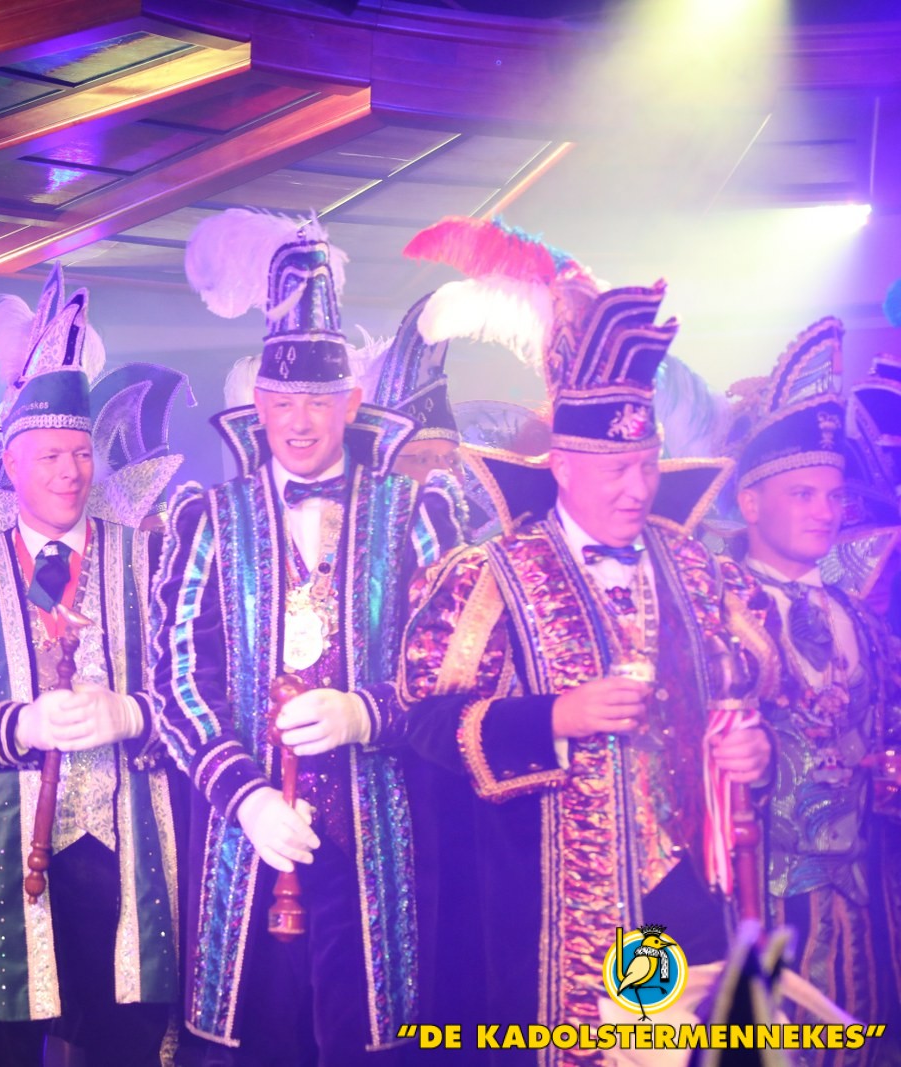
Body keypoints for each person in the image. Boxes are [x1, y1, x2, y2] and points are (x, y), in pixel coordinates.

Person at [396, 217, 774, 1064]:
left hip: (696, 900)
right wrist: (552, 717)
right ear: (562, 465)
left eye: (647, 464)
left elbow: (747, 688)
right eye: (615, 470)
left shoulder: (696, 565)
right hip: (557, 913)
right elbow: (424, 720)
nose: (638, 488)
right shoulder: (492, 574)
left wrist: (755, 750)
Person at [0, 267, 179, 1067]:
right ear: (14, 462)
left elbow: (195, 690)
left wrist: (133, 712)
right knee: (8, 1043)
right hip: (1, 857)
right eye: (52, 453)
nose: (71, 470)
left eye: (82, 452)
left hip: (126, 847)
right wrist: (17, 722)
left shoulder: (150, 560)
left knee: (126, 1041)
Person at [157, 218, 420, 1065]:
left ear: (352, 403)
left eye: (318, 402)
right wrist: (246, 796)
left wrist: (368, 712)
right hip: (248, 849)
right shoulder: (208, 516)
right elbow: (175, 681)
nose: (299, 422)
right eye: (282, 403)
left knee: (372, 1044)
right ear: (258, 405)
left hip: (380, 844)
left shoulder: (414, 513)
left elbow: (449, 674)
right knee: (253, 1044)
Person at [728, 318, 901, 1058]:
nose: (825, 512)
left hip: (861, 899)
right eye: (803, 493)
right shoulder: (711, 608)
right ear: (750, 502)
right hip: (756, 902)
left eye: (833, 495)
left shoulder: (859, 617)